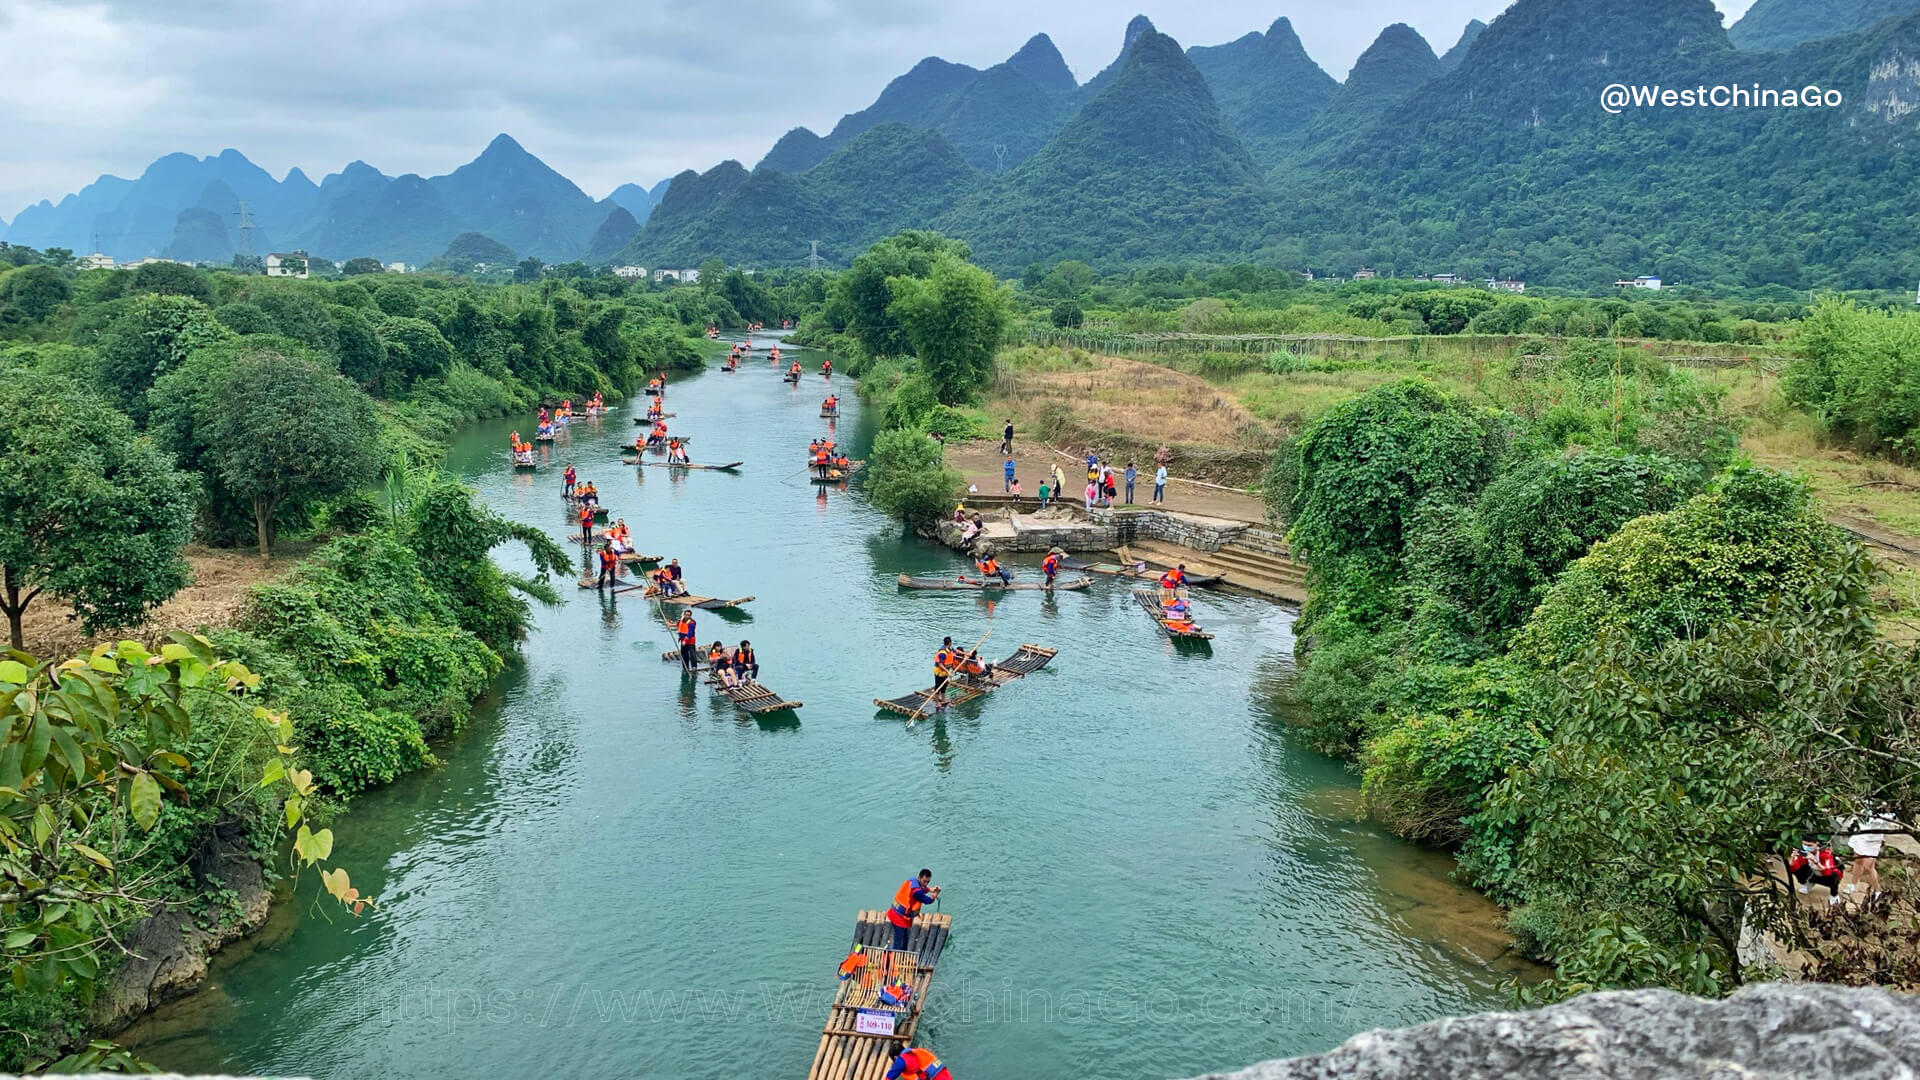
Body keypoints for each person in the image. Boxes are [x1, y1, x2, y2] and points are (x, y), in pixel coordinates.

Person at [1846, 807, 1899, 903]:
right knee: (1858, 861)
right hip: (1861, 835)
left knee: (1869, 866)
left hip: (1874, 840)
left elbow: (1889, 823)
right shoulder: (1866, 805)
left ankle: (1878, 891)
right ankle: (1853, 885)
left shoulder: (1889, 811)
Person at [886, 870, 941, 951]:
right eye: (924, 881)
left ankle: (903, 954)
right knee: (898, 942)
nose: (925, 884)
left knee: (906, 938)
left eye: (928, 882)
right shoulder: (916, 892)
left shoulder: (912, 881)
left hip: (897, 913)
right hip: (899, 918)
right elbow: (928, 900)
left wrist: (930, 889)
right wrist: (936, 894)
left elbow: (922, 888)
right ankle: (893, 959)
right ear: (919, 878)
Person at [1786, 835, 1843, 904]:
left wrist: (1815, 861)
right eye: (1804, 844)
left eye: (1809, 845)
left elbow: (1828, 872)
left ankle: (1834, 895)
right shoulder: (1803, 852)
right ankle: (1808, 883)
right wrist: (1792, 858)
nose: (1806, 847)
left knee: (1833, 875)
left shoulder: (1825, 853)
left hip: (1826, 874)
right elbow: (1793, 868)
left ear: (1817, 844)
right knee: (1799, 870)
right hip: (1813, 872)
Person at [931, 638, 955, 709]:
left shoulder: (949, 649)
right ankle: (937, 703)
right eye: (951, 642)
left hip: (945, 672)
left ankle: (943, 700)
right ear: (950, 643)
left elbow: (956, 651)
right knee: (938, 687)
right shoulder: (943, 653)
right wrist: (948, 672)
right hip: (940, 672)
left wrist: (966, 654)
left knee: (944, 686)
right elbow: (940, 665)